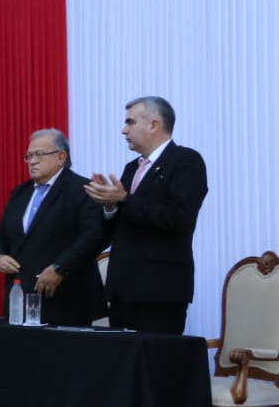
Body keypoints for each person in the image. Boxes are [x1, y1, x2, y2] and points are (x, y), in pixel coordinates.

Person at [83, 96, 208, 334]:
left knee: (158, 366)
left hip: (160, 290)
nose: (123, 130)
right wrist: (108, 206)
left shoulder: (186, 161)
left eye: (130, 122)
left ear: (153, 124)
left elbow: (177, 218)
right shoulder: (132, 168)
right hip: (122, 288)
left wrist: (123, 199)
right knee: (124, 367)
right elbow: (123, 222)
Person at [0, 129, 105, 327]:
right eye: (29, 156)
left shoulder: (83, 189)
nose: (32, 161)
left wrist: (60, 268)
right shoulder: (20, 193)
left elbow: (92, 237)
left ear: (61, 157)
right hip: (20, 298)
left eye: (39, 154)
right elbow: (0, 234)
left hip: (66, 299)